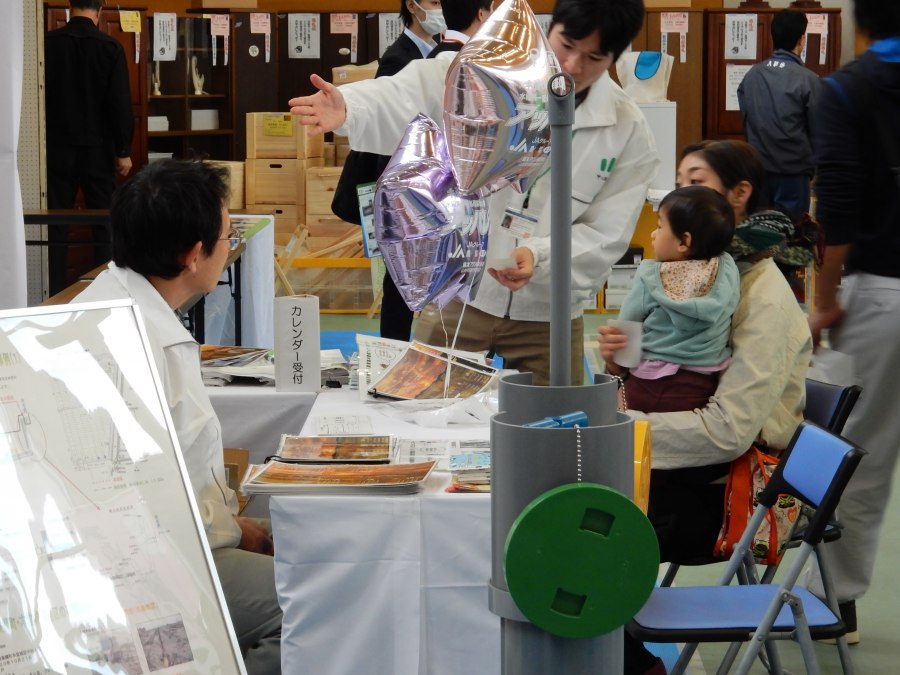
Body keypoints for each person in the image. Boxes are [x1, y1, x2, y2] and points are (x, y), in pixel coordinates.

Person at [291, 0, 659, 386]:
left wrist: (540, 257)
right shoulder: (490, 73)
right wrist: (351, 107)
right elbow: (415, 90)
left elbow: (607, 233)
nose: (571, 65)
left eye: (593, 58)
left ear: (614, 58)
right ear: (551, 28)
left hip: (549, 312)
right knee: (422, 399)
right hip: (463, 293)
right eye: (566, 45)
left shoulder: (626, 129)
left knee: (554, 416)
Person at [599, 140, 816, 675]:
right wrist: (618, 361)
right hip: (679, 472)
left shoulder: (763, 296)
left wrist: (622, 428)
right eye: (679, 181)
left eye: (696, 181)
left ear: (738, 196)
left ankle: (632, 664)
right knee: (571, 503)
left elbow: (728, 431)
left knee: (589, 534)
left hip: (731, 494)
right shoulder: (690, 273)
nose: (680, 194)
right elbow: (635, 371)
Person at [75, 160, 282, 674]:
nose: (230, 246)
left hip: (174, 536)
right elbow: (148, 500)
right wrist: (234, 530)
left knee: (321, 542)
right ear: (193, 255)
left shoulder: (119, 300)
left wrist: (232, 524)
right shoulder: (133, 341)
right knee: (321, 599)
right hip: (152, 561)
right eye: (227, 236)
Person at [805, 0, 900, 646]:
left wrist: (824, 298)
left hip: (881, 291)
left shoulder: (849, 88)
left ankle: (834, 601)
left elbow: (838, 206)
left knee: (858, 451)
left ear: (858, 22)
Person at [331, 0, 444, 342]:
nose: (440, 9)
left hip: (428, 182)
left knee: (418, 275)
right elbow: (388, 130)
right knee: (400, 278)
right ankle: (392, 350)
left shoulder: (439, 53)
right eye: (433, 2)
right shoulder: (398, 58)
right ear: (412, 5)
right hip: (401, 184)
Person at [604, 185, 739, 415]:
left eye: (659, 227)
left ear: (683, 242)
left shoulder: (650, 277)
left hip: (647, 385)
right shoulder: (727, 270)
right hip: (702, 387)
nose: (653, 234)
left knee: (617, 418)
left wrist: (616, 366)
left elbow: (626, 329)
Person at [45, 0, 134, 294]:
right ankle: (104, 290)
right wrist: (123, 150)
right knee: (103, 221)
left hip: (55, 149)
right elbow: (120, 103)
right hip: (98, 150)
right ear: (101, 9)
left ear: (70, 6)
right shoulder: (110, 47)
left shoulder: (47, 44)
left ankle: (53, 289)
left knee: (55, 221)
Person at [737, 9, 820, 222]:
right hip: (794, 173)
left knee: (760, 231)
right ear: (801, 40)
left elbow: (746, 120)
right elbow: (818, 131)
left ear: (772, 36)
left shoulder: (752, 75)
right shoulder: (808, 80)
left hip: (758, 170)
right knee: (793, 233)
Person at [428, 0, 494, 58]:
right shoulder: (471, 58)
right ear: (481, 14)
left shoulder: (433, 54)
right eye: (492, 8)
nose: (494, 14)